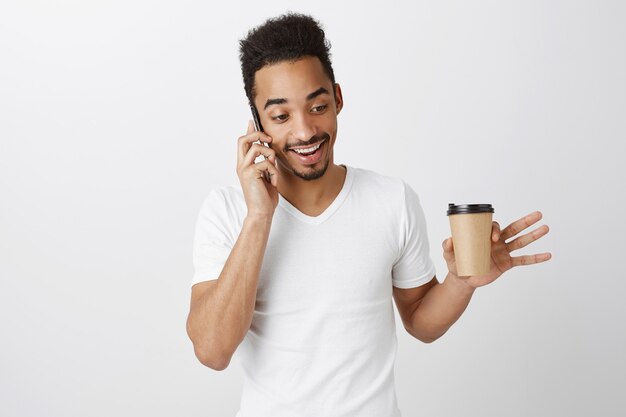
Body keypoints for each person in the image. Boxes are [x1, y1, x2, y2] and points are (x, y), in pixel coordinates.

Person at [186, 13, 551, 417]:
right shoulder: (227, 210)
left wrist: (462, 282)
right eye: (281, 116)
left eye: (318, 105)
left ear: (338, 98)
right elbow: (212, 351)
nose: (305, 131)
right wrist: (259, 216)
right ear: (256, 122)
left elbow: (420, 321)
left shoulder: (391, 199)